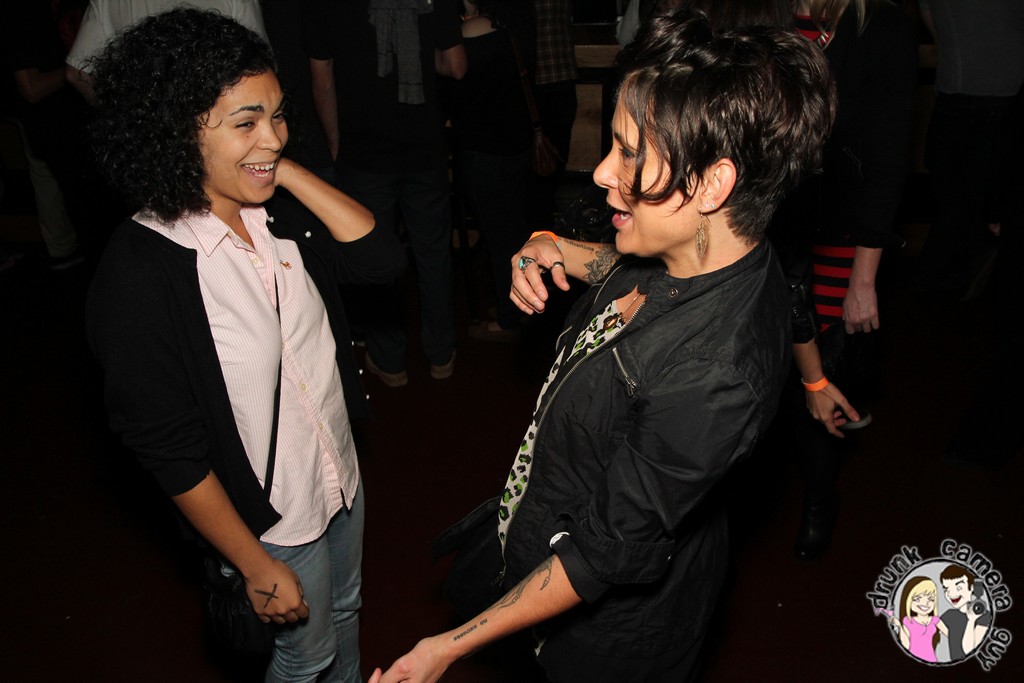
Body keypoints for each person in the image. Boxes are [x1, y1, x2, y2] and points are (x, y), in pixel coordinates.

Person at [369, 10, 836, 682]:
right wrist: (556, 246)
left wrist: (446, 647)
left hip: (606, 644)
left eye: (630, 153)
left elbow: (599, 554)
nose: (601, 173)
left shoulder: (713, 375)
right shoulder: (717, 251)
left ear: (713, 184)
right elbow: (636, 271)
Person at [85, 9, 405, 681]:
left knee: (346, 612)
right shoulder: (143, 270)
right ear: (177, 130)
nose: (275, 135)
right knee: (305, 657)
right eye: (246, 122)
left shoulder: (278, 214)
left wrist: (274, 168)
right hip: (270, 518)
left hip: (335, 476)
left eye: (279, 116)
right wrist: (255, 565)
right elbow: (167, 449)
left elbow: (380, 260)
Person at [777, 0, 916, 561]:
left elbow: (888, 156)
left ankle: (819, 498)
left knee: (820, 375)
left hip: (842, 230)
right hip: (770, 223)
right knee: (765, 362)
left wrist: (865, 277)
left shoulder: (882, 25)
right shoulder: (767, 15)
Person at [304, 0, 466, 387]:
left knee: (374, 259)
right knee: (434, 256)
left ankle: (390, 362)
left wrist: (334, 142)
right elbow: (456, 66)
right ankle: (441, 355)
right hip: (423, 149)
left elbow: (321, 77)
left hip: (364, 153)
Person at [447, 0, 535, 342]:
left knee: (501, 242)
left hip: (486, 150)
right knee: (516, 235)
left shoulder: (469, 33)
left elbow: (454, 83)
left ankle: (509, 320)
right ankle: (522, 306)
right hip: (517, 143)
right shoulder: (514, 23)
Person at [65, 0, 267, 103]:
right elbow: (261, 68)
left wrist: (126, 118)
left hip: (149, 146)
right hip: (218, 136)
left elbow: (77, 73)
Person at [939, 565, 992, 660]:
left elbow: (969, 651)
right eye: (946, 589)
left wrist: (971, 620)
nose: (951, 594)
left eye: (958, 588)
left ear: (971, 588)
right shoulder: (949, 615)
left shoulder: (984, 616)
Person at [890, 576, 948, 663]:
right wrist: (899, 626)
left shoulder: (935, 620)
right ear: (908, 600)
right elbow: (906, 645)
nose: (925, 603)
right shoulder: (908, 621)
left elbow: (951, 635)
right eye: (917, 599)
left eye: (931, 599)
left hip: (932, 660)